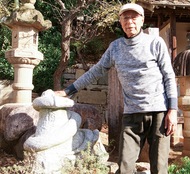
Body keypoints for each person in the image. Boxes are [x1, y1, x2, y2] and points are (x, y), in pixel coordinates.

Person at [55, 3, 178, 174]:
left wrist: (172, 110)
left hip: (159, 112)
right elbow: (95, 71)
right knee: (125, 165)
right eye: (125, 18)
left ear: (142, 20)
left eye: (134, 17)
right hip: (131, 114)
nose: (130, 22)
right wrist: (68, 91)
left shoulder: (155, 43)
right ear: (120, 22)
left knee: (159, 166)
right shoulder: (115, 47)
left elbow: (168, 75)